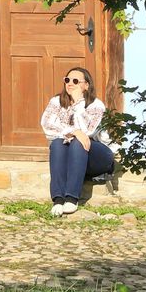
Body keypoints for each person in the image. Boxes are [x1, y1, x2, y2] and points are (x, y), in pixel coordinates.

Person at [40, 66, 114, 217]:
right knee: (57, 144)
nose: (70, 84)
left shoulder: (96, 105)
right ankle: (59, 200)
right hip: (73, 157)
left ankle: (72, 198)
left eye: (75, 81)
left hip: (98, 156)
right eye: (67, 80)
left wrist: (79, 103)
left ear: (86, 85)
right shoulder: (56, 101)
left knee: (78, 142)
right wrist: (73, 131)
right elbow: (47, 125)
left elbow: (87, 132)